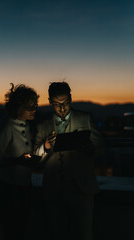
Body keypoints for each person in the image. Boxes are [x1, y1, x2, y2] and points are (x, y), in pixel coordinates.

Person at [34, 81, 102, 240]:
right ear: (50, 102)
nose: (62, 108)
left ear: (71, 98)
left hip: (82, 188)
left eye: (65, 103)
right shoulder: (43, 125)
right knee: (57, 234)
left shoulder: (85, 118)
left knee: (84, 234)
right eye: (57, 104)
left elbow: (100, 148)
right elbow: (36, 160)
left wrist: (90, 149)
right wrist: (45, 146)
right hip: (53, 190)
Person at [0, 83, 39, 240]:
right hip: (8, 189)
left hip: (22, 186)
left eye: (35, 106)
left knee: (19, 229)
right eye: (30, 107)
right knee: (13, 231)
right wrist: (18, 160)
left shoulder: (25, 125)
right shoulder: (5, 127)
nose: (34, 110)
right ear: (17, 107)